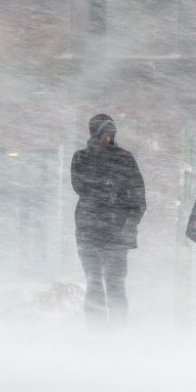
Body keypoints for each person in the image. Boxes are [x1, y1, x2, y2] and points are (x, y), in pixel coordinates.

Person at [71, 113, 146, 326]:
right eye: (104, 133)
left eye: (111, 133)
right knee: (94, 283)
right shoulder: (81, 158)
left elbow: (139, 197)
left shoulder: (124, 158)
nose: (108, 137)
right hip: (89, 232)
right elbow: (80, 186)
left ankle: (118, 332)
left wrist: (129, 224)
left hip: (116, 233)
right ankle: (97, 332)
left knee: (115, 285)